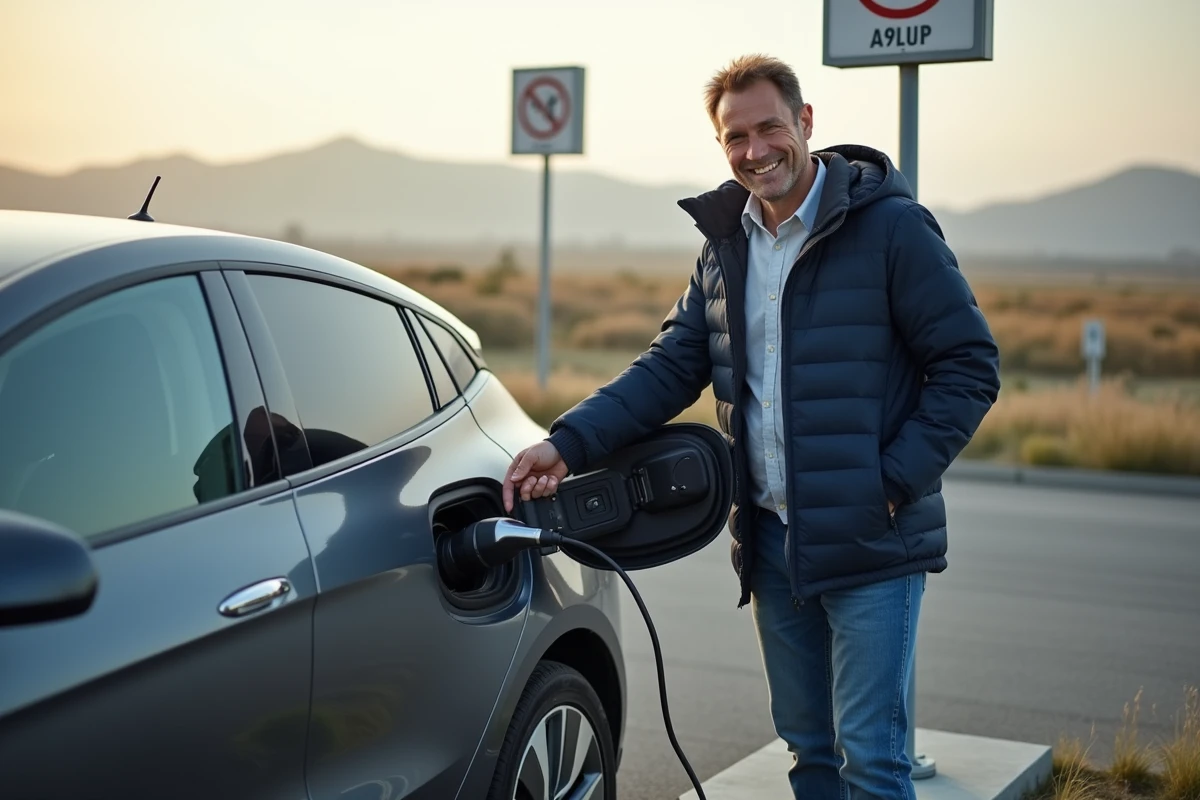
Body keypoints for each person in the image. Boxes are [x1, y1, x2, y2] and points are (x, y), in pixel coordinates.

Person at [500, 54, 1000, 800]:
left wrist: (890, 482)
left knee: (872, 759)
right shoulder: (725, 243)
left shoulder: (892, 229)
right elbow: (671, 365)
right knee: (809, 754)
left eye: (769, 127)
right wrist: (565, 442)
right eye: (735, 137)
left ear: (805, 123)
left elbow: (969, 364)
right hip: (770, 545)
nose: (754, 150)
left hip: (872, 541)